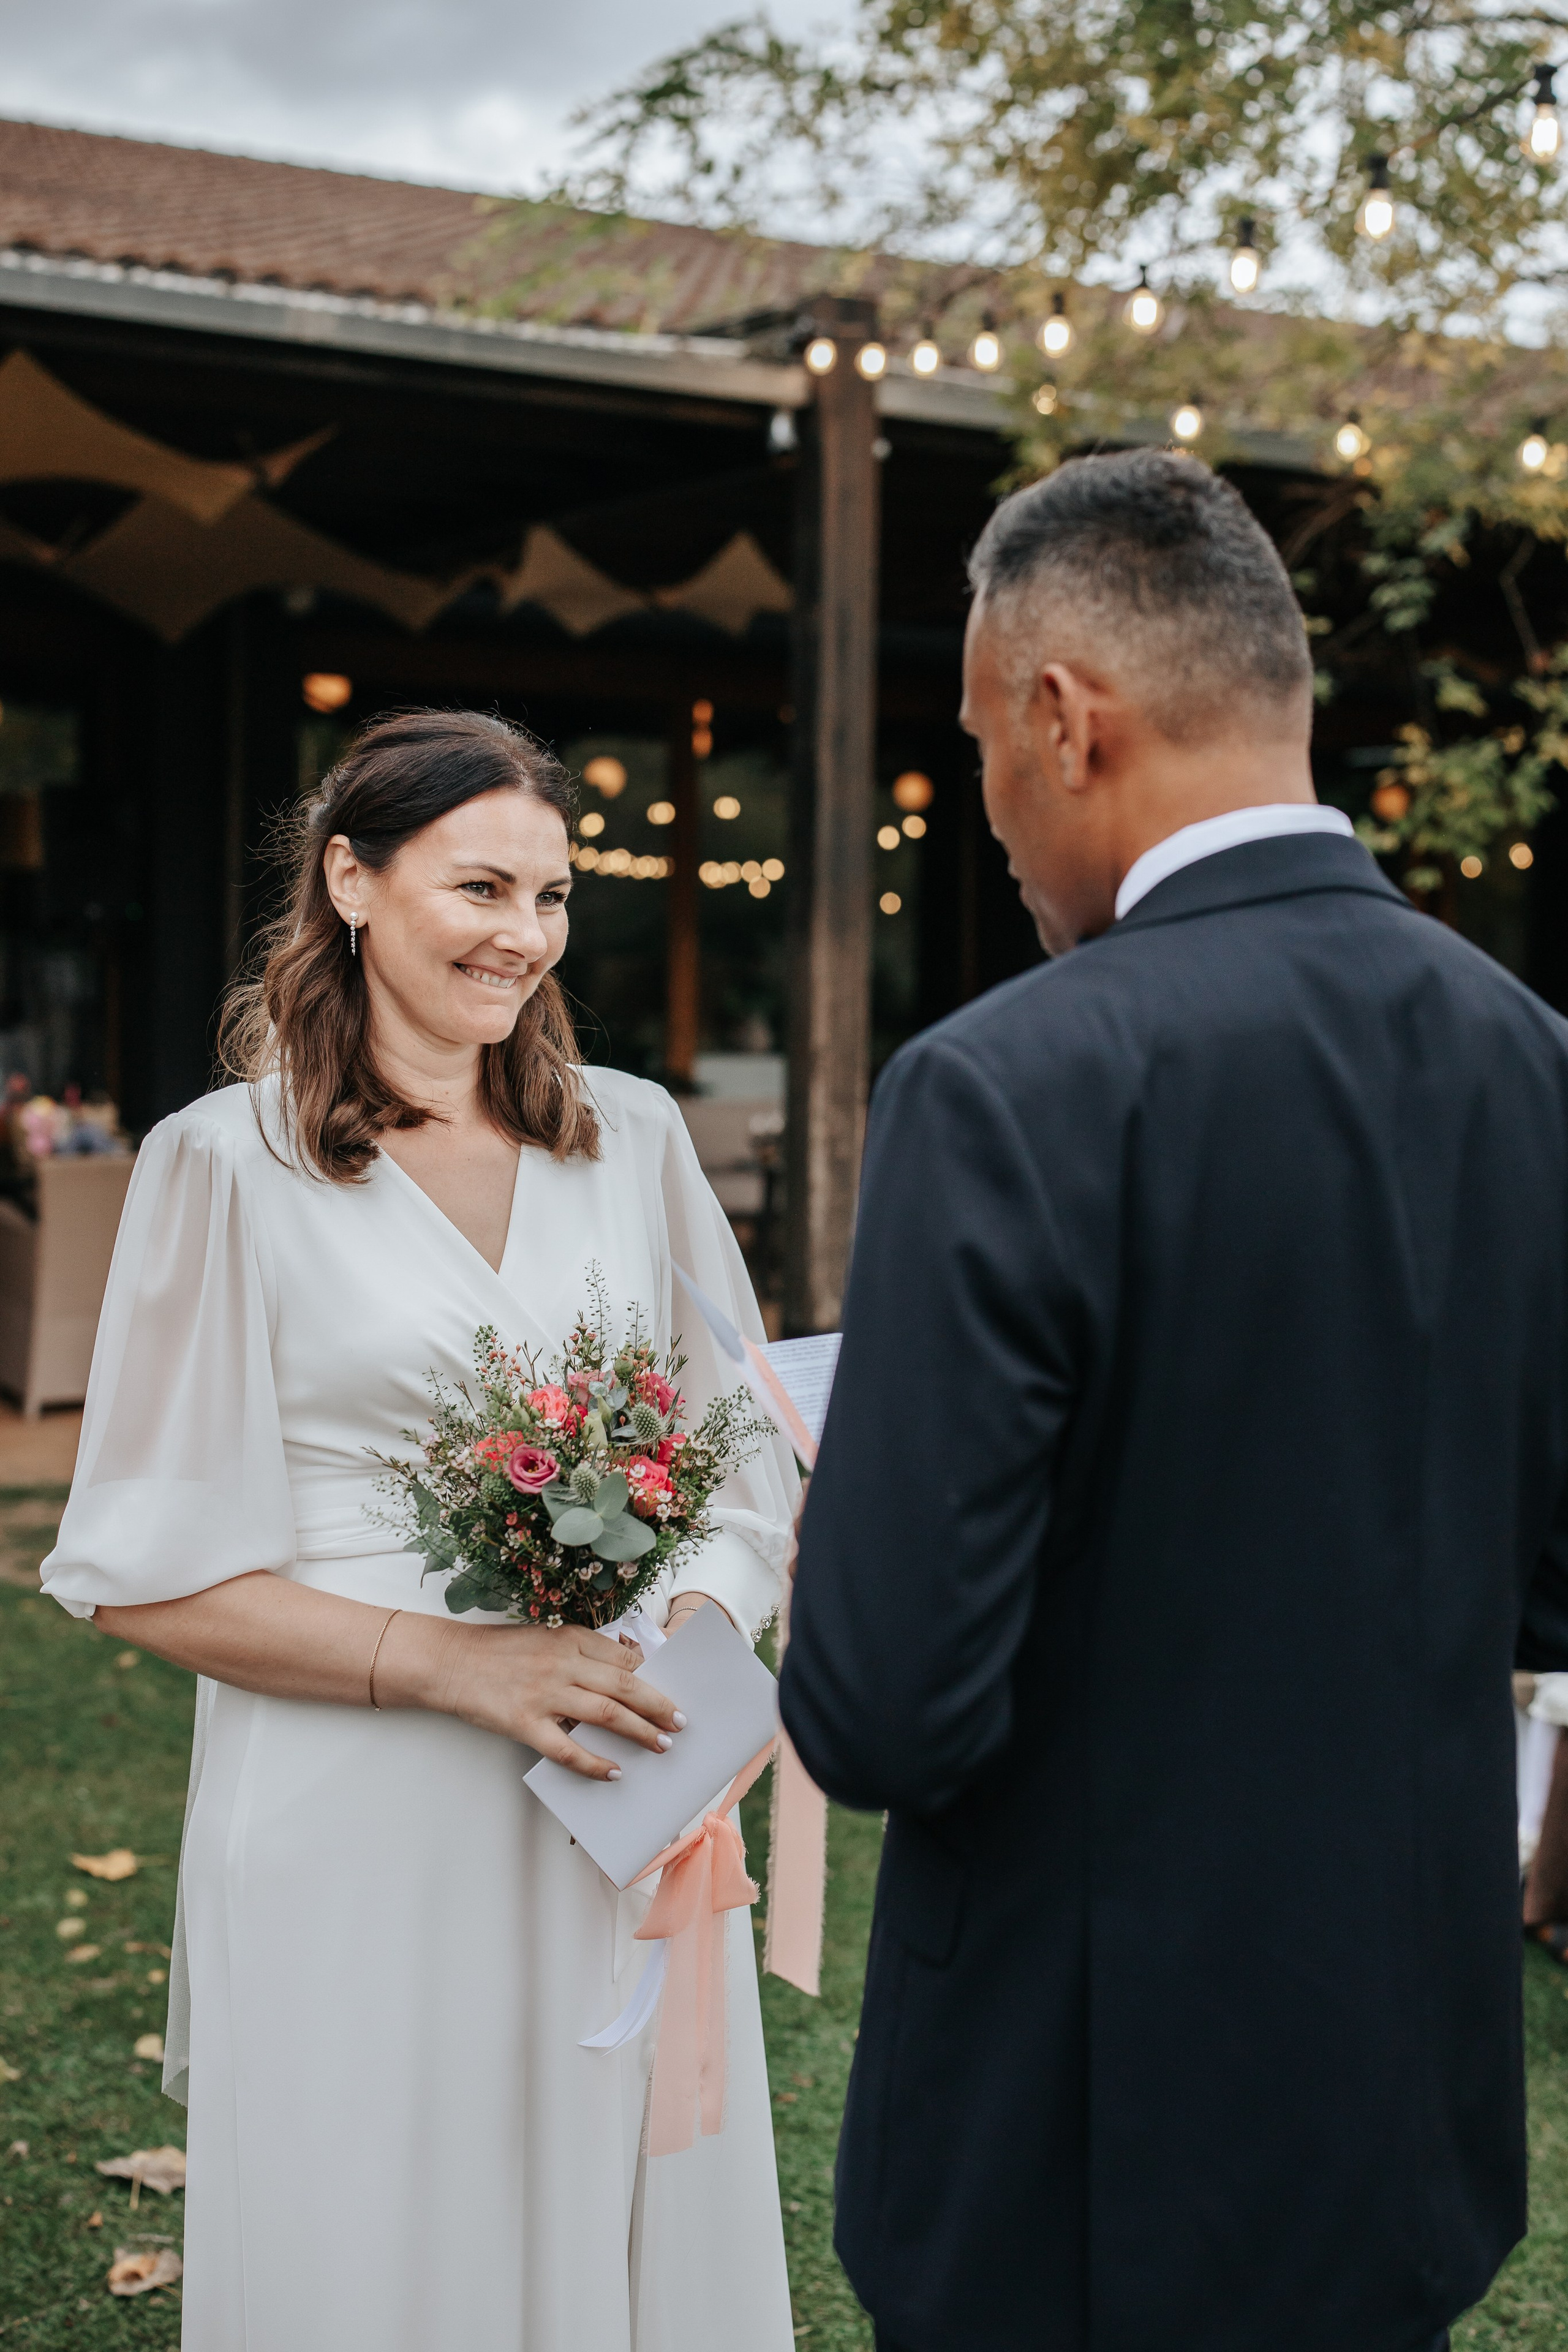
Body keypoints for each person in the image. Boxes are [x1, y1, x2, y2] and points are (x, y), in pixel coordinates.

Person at [780, 449, 1568, 2352]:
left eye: (978, 757)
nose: (989, 813)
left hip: (1080, 2139)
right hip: (1399, 2105)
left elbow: (886, 1708)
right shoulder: (1533, 1057)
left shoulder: (1002, 1087)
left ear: (1064, 718)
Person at [42, 711, 797, 2352]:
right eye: (478, 887)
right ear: (352, 881)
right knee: (378, 2227)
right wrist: (449, 1664)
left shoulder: (634, 1136)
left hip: (622, 1776)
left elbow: (747, 1455)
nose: (520, 936)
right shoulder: (220, 1168)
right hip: (356, 1814)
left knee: (612, 2207)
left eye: (550, 894)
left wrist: (710, 1627)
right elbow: (135, 1571)